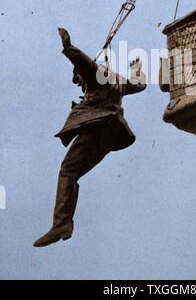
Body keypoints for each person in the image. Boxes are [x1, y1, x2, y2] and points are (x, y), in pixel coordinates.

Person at [33, 28, 146, 247]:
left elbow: (86, 65)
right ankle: (62, 223)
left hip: (98, 127)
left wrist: (68, 48)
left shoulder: (97, 79)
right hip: (111, 135)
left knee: (67, 171)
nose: (80, 85)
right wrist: (137, 68)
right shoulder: (120, 82)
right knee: (72, 173)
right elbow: (139, 84)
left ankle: (62, 223)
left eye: (79, 81)